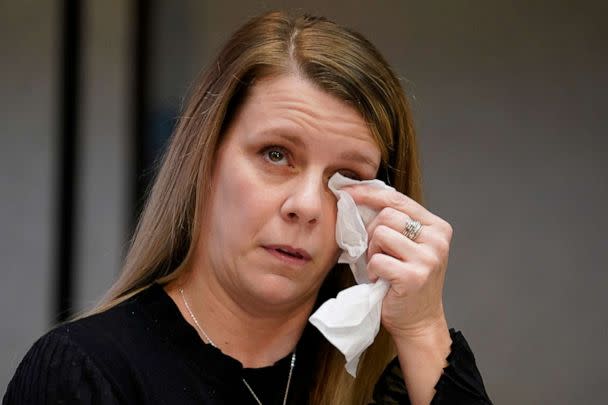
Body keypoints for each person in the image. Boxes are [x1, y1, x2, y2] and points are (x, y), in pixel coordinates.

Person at [4, 11, 492, 405]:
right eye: (276, 155)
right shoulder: (85, 374)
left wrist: (423, 329)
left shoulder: (392, 384)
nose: (306, 206)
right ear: (206, 162)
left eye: (346, 178)